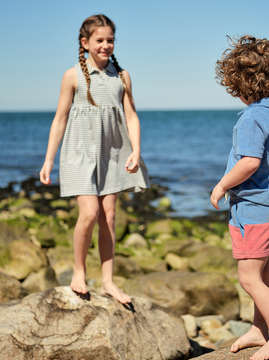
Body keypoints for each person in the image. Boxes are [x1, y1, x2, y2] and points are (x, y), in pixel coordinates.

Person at [40, 14, 149, 304]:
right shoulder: (72, 75)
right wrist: (49, 159)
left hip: (113, 154)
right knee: (88, 214)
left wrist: (136, 150)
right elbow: (60, 118)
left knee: (109, 217)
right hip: (78, 153)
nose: (105, 45)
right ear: (85, 42)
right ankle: (79, 272)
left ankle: (108, 282)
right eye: (99, 40)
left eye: (110, 40)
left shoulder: (122, 76)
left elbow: (131, 116)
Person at [210, 35, 269, 360]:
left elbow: (249, 162)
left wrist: (221, 185)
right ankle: (260, 330)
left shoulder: (252, 117)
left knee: (248, 278)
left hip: (255, 211)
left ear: (242, 82)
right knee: (264, 275)